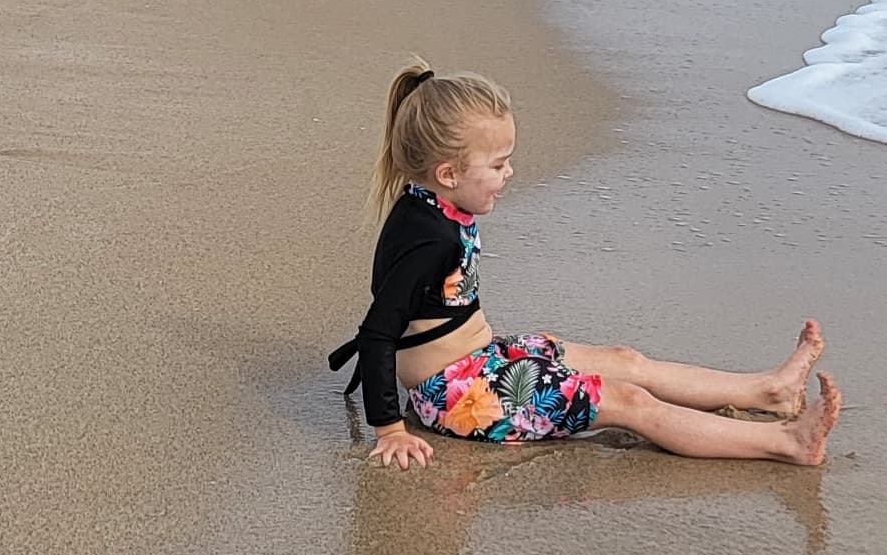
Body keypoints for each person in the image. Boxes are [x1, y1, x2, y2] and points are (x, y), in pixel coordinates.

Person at [332, 62, 841, 473]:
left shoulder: (434, 200)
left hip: (482, 358)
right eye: (498, 164)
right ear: (448, 173)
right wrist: (390, 429)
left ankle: (767, 391)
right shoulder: (429, 239)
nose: (509, 172)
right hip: (459, 395)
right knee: (627, 401)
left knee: (625, 360)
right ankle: (785, 443)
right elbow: (379, 332)